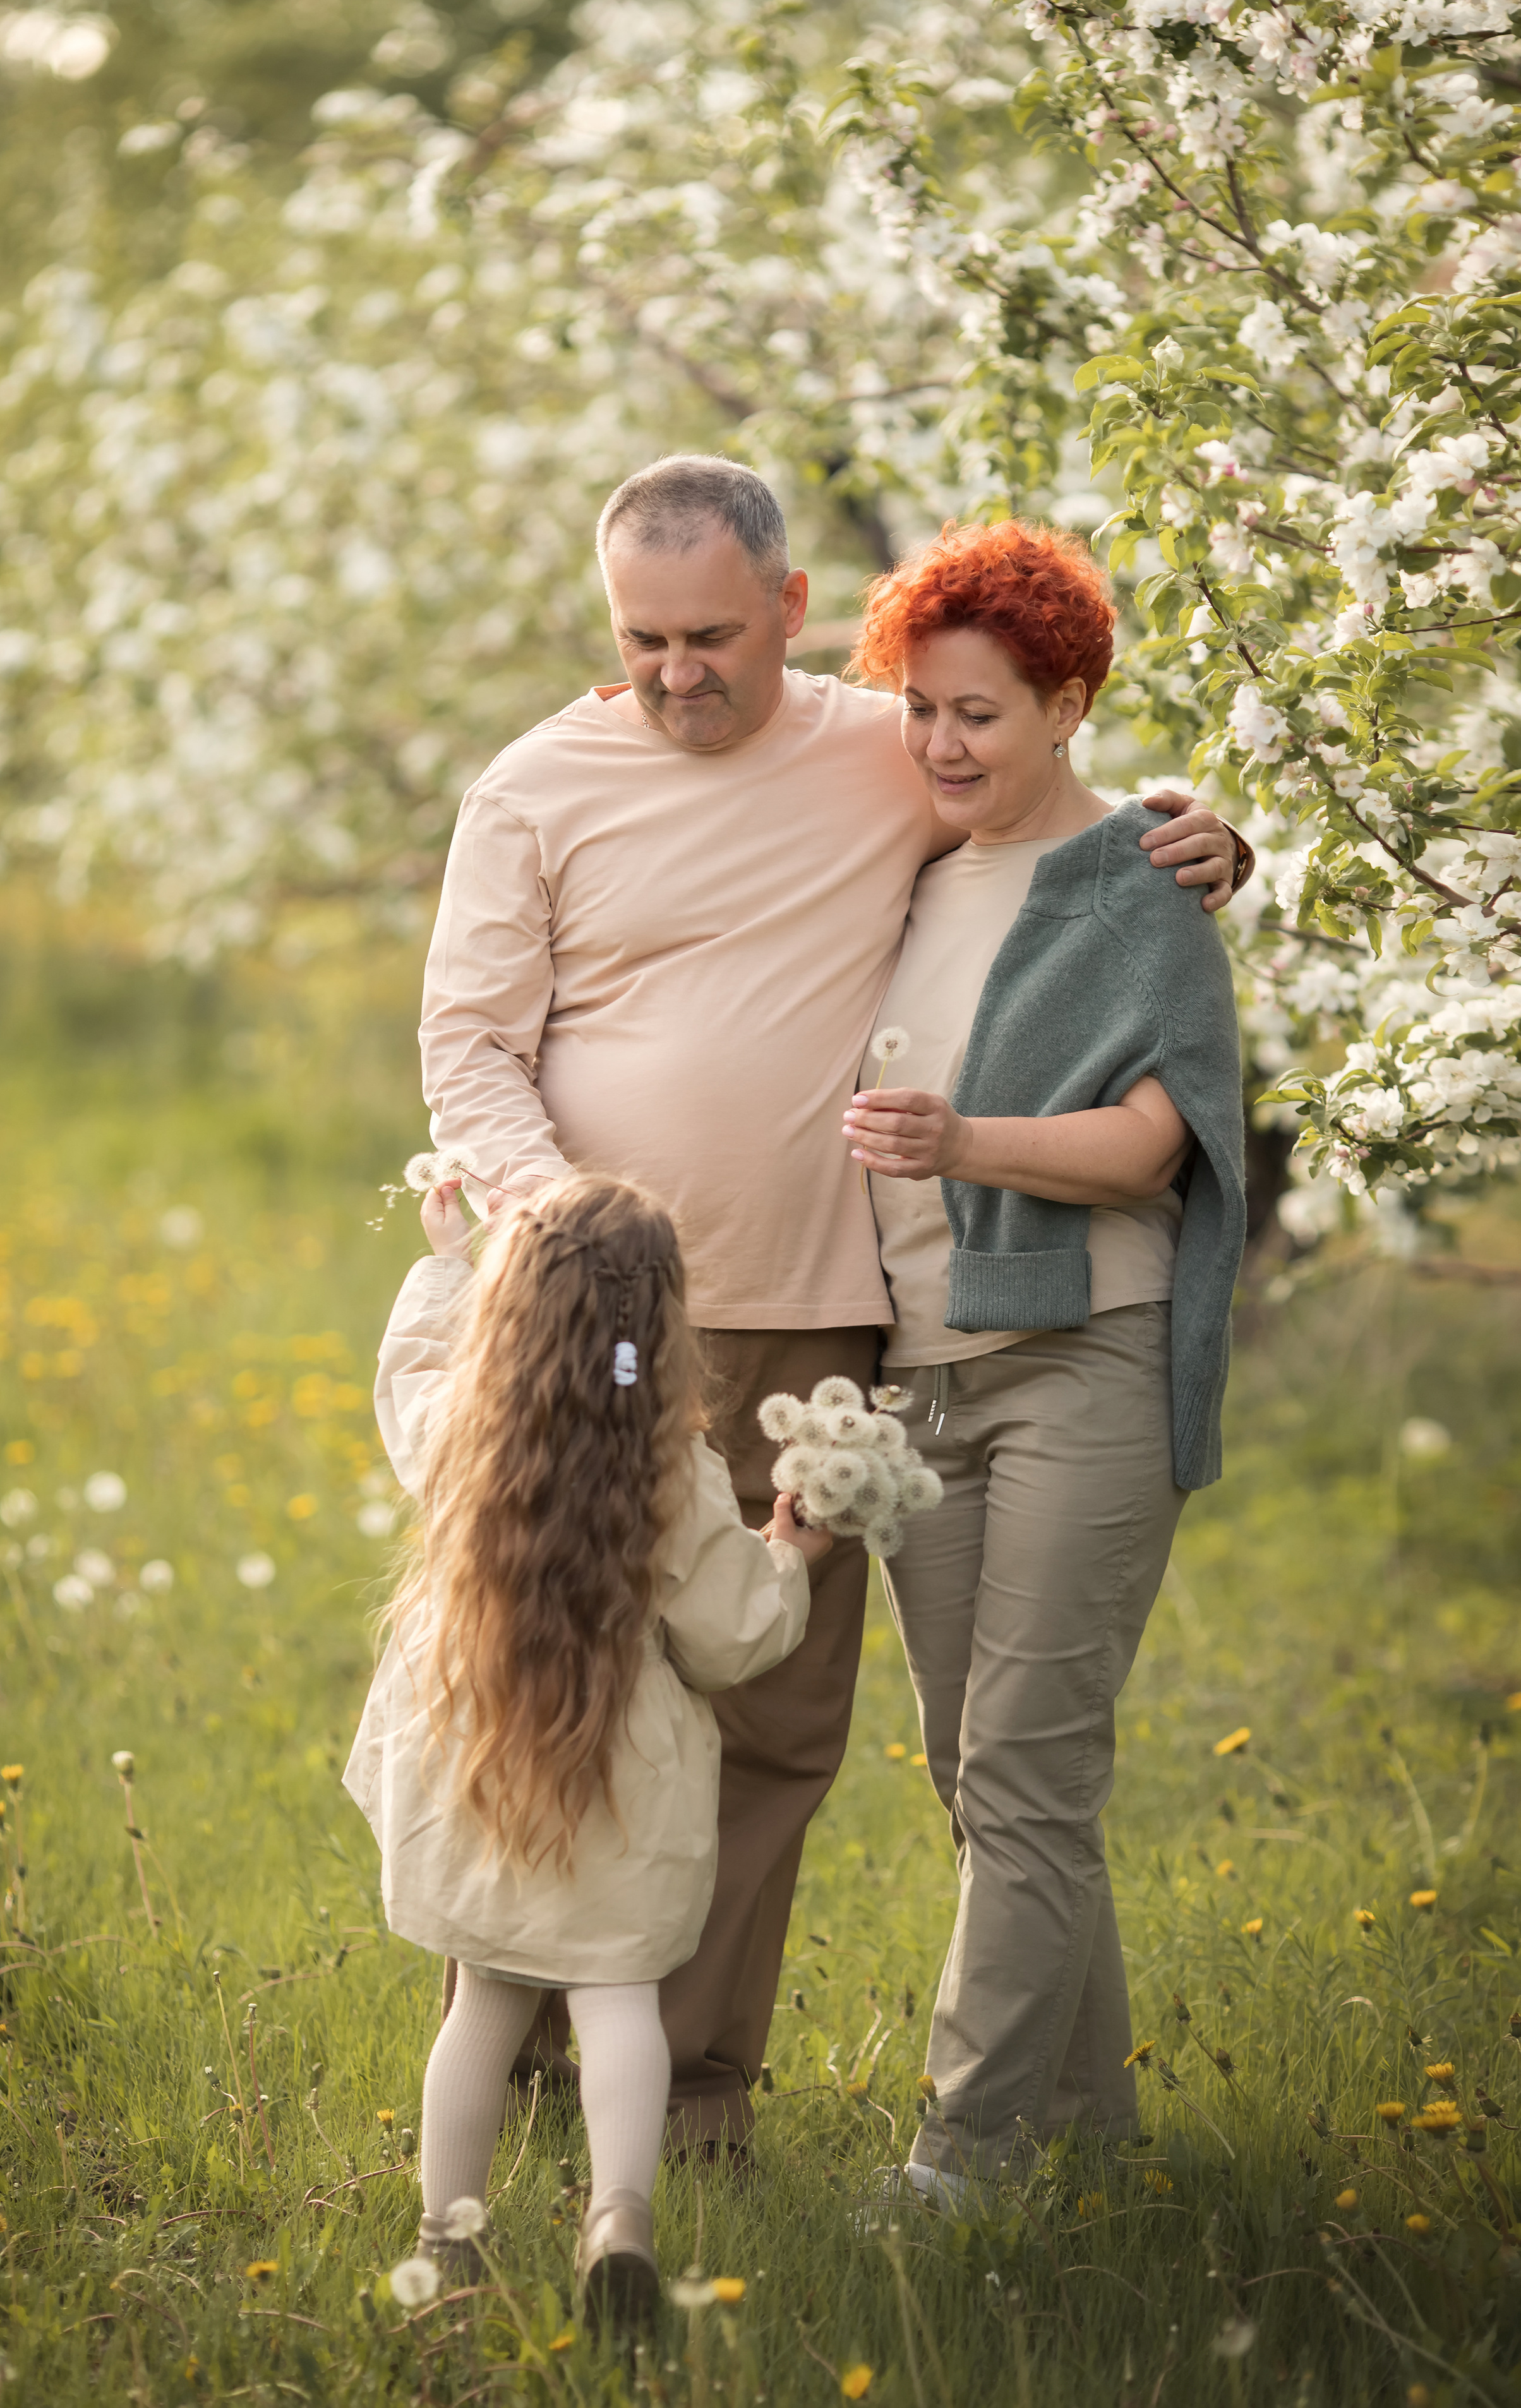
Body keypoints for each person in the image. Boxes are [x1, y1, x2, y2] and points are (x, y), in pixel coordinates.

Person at [419, 453, 1251, 2159]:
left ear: (790, 611)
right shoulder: (534, 787)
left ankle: (694, 2087)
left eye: (711, 636)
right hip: (586, 1318)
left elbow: (1053, 811)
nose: (677, 672)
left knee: (768, 1716)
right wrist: (557, 1220)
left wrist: (1207, 830)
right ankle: (512, 2058)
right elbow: (470, 1048)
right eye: (643, 638)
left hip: (814, 1322)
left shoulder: (886, 749)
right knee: (550, 1670)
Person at [840, 518, 1246, 2198]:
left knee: (1023, 1766)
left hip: (1085, 1350)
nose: (941, 745)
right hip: (919, 1370)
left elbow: (1153, 1145)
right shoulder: (907, 866)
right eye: (921, 709)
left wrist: (962, 1141)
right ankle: (1087, 2137)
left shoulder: (1138, 880)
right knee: (978, 1771)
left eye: (981, 715)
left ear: (1068, 707)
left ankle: (963, 2154)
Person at [342, 1171, 828, 2318]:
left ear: (514, 1305)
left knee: (483, 2008)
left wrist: (444, 1265)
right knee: (619, 2004)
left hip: (485, 1765)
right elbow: (728, 1637)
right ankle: (617, 2220)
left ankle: (448, 2241)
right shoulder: (675, 1472)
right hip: (625, 1785)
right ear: (662, 1321)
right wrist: (789, 1555)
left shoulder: (467, 1432)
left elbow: (411, 1381)